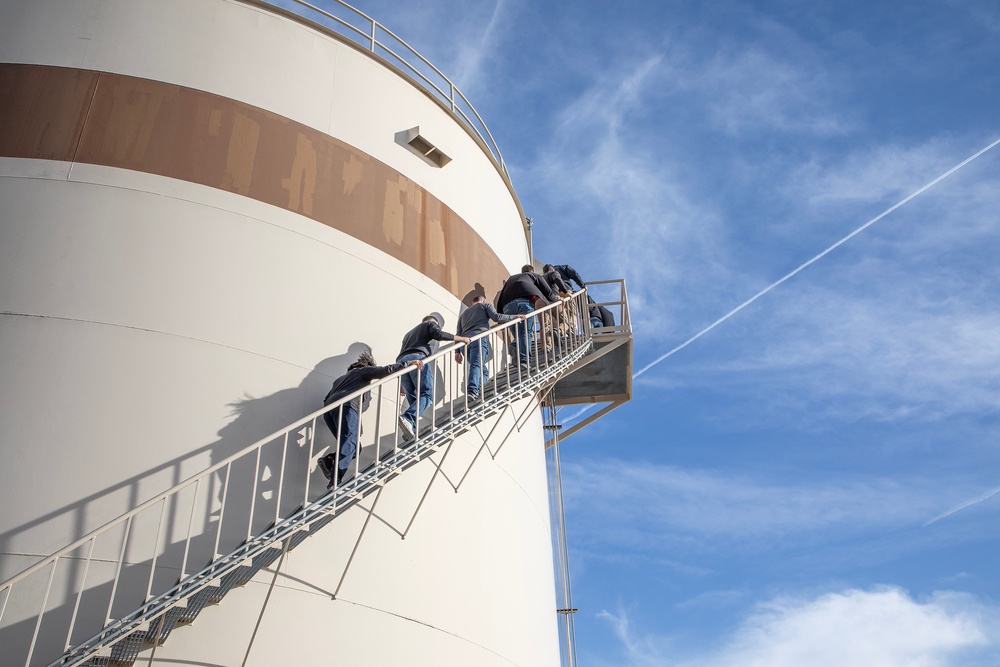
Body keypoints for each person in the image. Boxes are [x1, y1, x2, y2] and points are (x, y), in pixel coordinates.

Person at [318, 351, 423, 487]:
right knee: (349, 443)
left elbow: (326, 399)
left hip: (329, 412)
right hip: (348, 406)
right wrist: (408, 364)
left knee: (355, 447)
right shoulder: (362, 371)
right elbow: (387, 370)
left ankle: (329, 460)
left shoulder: (339, 380)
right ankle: (335, 481)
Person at [397, 314, 471, 439]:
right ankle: (408, 419)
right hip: (417, 359)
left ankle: (411, 430)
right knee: (427, 394)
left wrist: (402, 384)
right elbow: (439, 335)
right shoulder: (429, 324)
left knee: (415, 400)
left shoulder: (409, 334)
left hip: (402, 364)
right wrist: (461, 339)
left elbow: (403, 353)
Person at [454, 295, 525, 401]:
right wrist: (515, 317)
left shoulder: (463, 315)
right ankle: (473, 390)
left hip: (465, 344)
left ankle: (477, 389)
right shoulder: (485, 305)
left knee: (483, 371)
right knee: (476, 365)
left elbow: (458, 333)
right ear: (483, 300)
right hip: (478, 339)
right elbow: (497, 317)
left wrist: (457, 351)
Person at [496, 265, 562, 368]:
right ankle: (524, 360)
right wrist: (556, 299)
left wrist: (500, 318)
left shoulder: (511, 279)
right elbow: (547, 291)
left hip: (506, 307)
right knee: (526, 332)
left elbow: (500, 297)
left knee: (518, 334)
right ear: (533, 271)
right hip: (524, 302)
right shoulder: (533, 276)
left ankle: (514, 345)